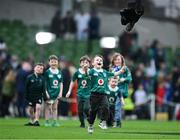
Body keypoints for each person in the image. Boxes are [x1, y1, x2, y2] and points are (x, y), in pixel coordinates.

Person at [87, 55, 125, 134]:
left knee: (106, 107)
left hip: (103, 94)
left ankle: (103, 121)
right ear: (93, 63)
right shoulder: (92, 71)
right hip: (94, 95)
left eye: (101, 60)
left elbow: (113, 74)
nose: (99, 61)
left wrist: (121, 71)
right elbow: (87, 72)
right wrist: (85, 68)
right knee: (93, 111)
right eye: (97, 60)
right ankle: (90, 125)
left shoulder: (105, 72)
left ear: (103, 63)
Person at [66, 55, 91, 128]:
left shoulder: (91, 72)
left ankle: (90, 119)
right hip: (79, 94)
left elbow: (91, 78)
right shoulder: (77, 72)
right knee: (80, 110)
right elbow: (72, 81)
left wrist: (86, 71)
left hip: (88, 94)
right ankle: (82, 123)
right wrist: (69, 91)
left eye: (86, 62)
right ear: (80, 64)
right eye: (83, 62)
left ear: (89, 64)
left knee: (86, 108)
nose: (84, 64)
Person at [109, 52, 132, 127]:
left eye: (119, 59)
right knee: (112, 106)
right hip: (112, 90)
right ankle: (115, 121)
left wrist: (124, 79)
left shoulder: (125, 69)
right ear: (113, 61)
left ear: (122, 60)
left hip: (121, 90)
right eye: (115, 60)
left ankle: (117, 122)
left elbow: (130, 78)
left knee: (116, 106)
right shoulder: (112, 69)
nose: (117, 61)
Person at [44, 55, 63, 127]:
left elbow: (61, 83)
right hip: (49, 93)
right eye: (52, 62)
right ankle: (47, 121)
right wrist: (46, 92)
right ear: (49, 63)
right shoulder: (47, 72)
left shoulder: (59, 72)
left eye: (55, 62)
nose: (53, 63)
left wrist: (60, 92)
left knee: (55, 108)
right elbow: (45, 83)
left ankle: (55, 121)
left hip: (56, 93)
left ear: (57, 62)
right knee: (48, 107)